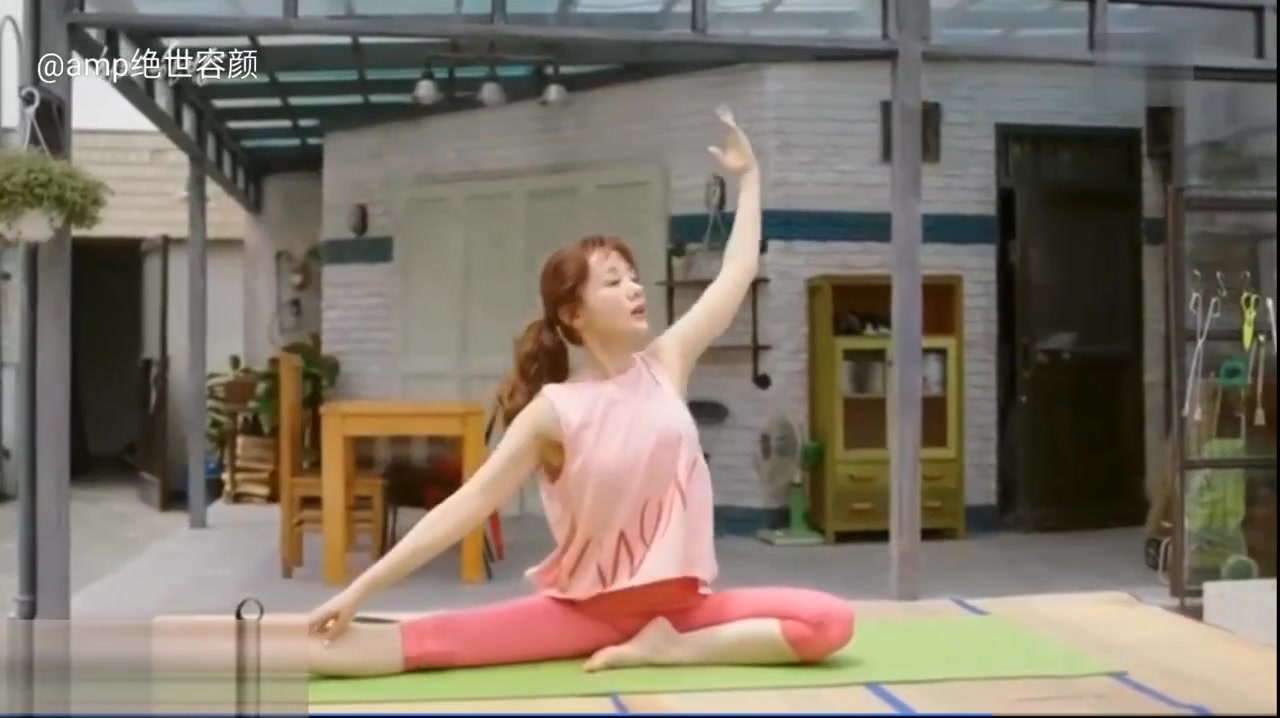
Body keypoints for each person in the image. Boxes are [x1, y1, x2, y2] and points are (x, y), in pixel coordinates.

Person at [305, 106, 854, 678]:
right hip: (584, 610)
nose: (635, 288)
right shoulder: (554, 412)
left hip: (683, 612)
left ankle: (667, 649)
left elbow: (736, 274)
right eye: (614, 281)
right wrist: (360, 591)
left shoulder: (666, 363)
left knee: (829, 622)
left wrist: (750, 179)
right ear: (573, 313)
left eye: (633, 276)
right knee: (416, 645)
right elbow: (467, 505)